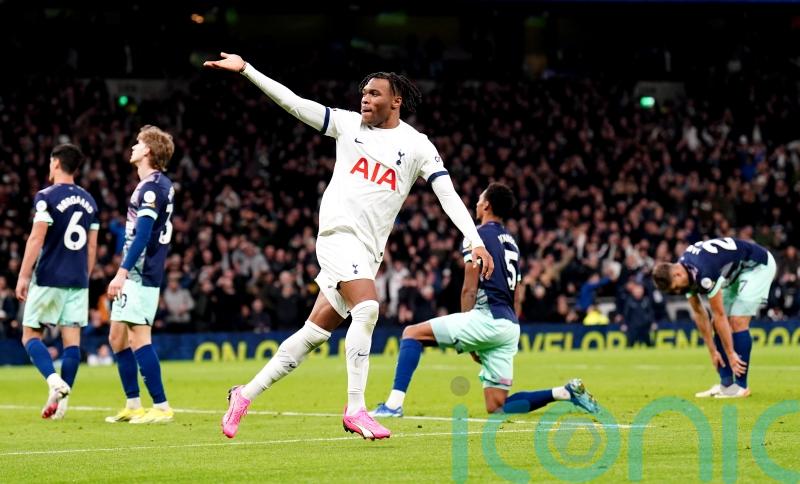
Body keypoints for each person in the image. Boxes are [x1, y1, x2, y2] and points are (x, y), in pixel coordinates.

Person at [204, 52, 493, 440]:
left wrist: (473, 239)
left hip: (369, 251)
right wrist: (248, 70)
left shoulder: (418, 145)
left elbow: (448, 194)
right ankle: (356, 408)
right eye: (363, 93)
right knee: (369, 308)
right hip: (338, 237)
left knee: (313, 333)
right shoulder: (346, 125)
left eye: (374, 94)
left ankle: (244, 394)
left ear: (396, 101)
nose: (365, 99)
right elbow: (295, 103)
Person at [371, 183, 598, 418]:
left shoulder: (475, 234)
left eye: (480, 199)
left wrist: (470, 328)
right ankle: (565, 392)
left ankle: (393, 404)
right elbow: (517, 293)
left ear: (487, 205)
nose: (477, 204)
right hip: (509, 326)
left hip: (486, 318)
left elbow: (469, 287)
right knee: (497, 406)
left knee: (411, 333)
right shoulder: (511, 242)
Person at [16, 144, 99, 419]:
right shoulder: (90, 201)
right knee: (71, 343)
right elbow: (91, 249)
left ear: (55, 163)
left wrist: (24, 275)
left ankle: (53, 381)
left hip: (49, 276)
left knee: (30, 335)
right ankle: (61, 406)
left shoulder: (46, 197)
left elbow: (37, 237)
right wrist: (83, 278)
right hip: (78, 279)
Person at [104, 125, 177, 424]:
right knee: (117, 338)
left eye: (137, 143)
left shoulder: (150, 188)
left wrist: (121, 273)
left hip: (140, 274)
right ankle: (133, 404)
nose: (133, 147)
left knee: (139, 338)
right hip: (138, 273)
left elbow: (143, 234)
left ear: (148, 150)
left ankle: (161, 407)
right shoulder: (158, 184)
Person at [652, 237, 776, 398]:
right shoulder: (684, 268)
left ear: (676, 274)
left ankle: (741, 386)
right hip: (736, 271)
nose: (678, 292)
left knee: (737, 321)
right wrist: (712, 351)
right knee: (716, 324)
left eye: (676, 288)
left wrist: (731, 353)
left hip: (757, 267)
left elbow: (719, 314)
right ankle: (727, 386)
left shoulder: (704, 273)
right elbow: (699, 313)